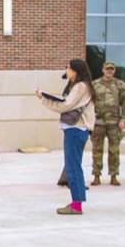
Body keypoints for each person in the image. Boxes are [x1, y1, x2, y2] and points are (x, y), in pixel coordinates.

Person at [36, 58, 95, 215]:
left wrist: (43, 99)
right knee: (74, 166)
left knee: (73, 167)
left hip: (75, 129)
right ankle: (77, 203)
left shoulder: (81, 87)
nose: (66, 70)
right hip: (76, 130)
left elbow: (65, 105)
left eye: (68, 67)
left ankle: (76, 205)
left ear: (76, 70)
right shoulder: (79, 86)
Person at [91, 61, 125, 186]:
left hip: (114, 123)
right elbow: (89, 102)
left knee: (114, 150)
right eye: (107, 69)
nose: (109, 71)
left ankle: (114, 175)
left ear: (114, 70)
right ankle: (96, 175)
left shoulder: (120, 85)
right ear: (103, 70)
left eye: (111, 69)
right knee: (97, 150)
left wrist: (124, 119)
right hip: (98, 123)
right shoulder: (95, 84)